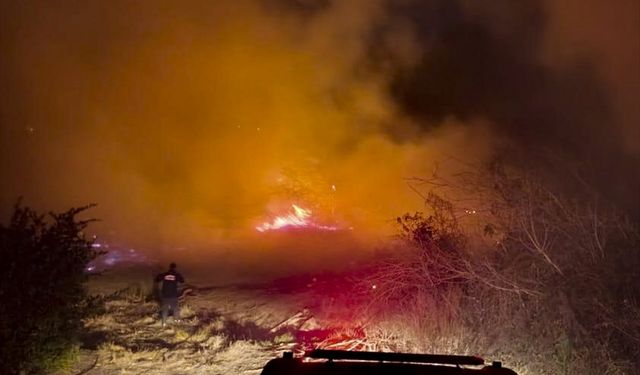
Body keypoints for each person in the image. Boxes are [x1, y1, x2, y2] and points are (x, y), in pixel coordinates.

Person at [155, 262, 185, 327]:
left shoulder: (165, 274)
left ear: (169, 267)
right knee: (176, 308)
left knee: (165, 309)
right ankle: (177, 320)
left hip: (165, 295)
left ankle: (164, 322)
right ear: (175, 268)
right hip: (173, 295)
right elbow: (182, 281)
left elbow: (157, 279)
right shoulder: (176, 275)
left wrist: (161, 274)